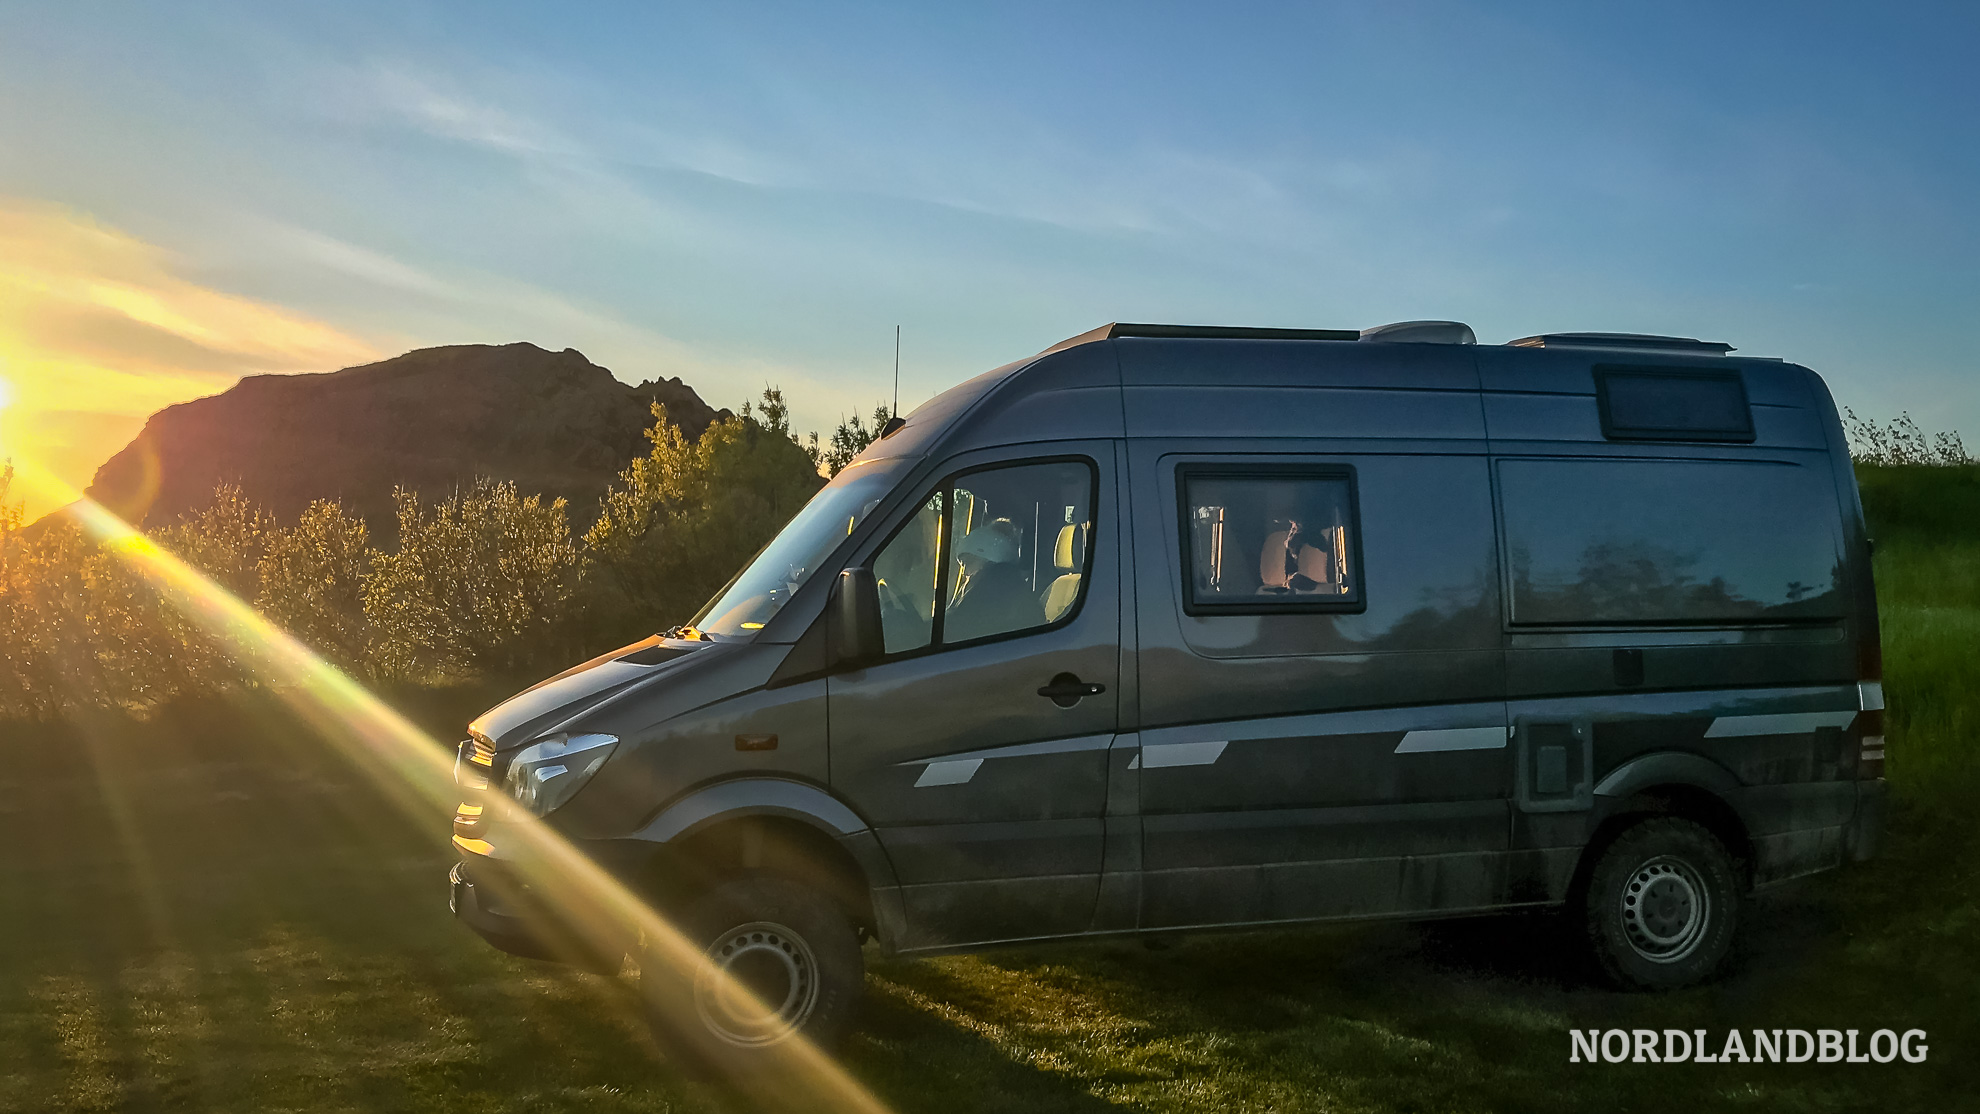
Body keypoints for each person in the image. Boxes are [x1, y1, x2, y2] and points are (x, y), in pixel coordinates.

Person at [943, 518, 1041, 642]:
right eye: (963, 565)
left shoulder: (995, 589)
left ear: (990, 558)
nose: (964, 572)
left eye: (969, 562)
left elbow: (957, 629)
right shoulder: (1006, 583)